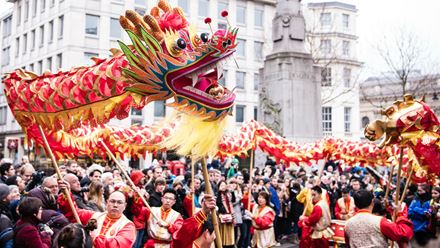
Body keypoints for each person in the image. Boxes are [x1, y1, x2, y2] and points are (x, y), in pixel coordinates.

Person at [58, 180, 136, 248]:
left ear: (125, 206)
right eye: (112, 201)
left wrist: (88, 238)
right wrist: (67, 193)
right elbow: (73, 212)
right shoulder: (94, 216)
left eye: (119, 202)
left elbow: (116, 245)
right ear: (107, 202)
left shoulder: (128, 226)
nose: (115, 205)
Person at [345, 189, 413, 248]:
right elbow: (402, 233)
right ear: (372, 202)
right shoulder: (380, 221)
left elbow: (348, 245)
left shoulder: (348, 224)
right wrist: (400, 214)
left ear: (355, 204)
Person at [216, 180, 235, 248]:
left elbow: (233, 200)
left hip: (230, 215)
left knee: (230, 234)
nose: (223, 187)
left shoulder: (228, 194)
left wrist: (232, 191)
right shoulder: (217, 194)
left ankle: (230, 245)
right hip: (222, 217)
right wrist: (219, 191)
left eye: (224, 185)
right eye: (221, 185)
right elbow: (217, 202)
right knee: (223, 234)